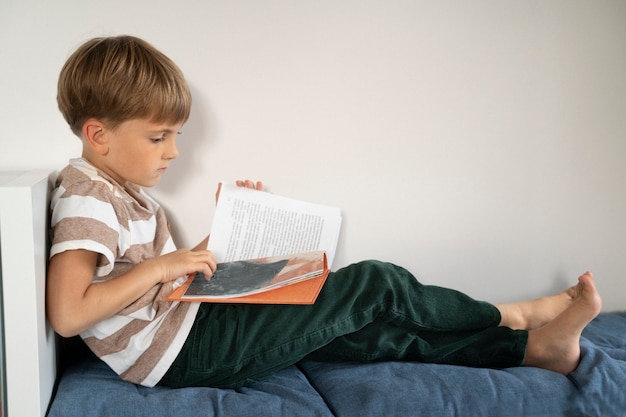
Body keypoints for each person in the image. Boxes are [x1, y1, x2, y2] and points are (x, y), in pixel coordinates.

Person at [46, 35, 602, 389]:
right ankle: (515, 315)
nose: (172, 152)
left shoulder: (121, 191)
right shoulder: (86, 195)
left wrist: (228, 229)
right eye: (159, 137)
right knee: (374, 284)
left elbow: (155, 281)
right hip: (181, 354)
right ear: (98, 135)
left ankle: (535, 350)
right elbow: (69, 313)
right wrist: (162, 268)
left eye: (177, 136)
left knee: (371, 331)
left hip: (191, 327)